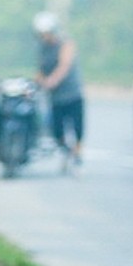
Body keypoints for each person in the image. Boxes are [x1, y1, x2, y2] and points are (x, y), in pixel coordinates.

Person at [33, 11, 86, 169]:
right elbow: (41, 69)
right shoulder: (42, 48)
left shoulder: (66, 43)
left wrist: (52, 80)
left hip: (72, 93)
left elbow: (64, 65)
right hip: (55, 97)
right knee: (56, 130)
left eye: (47, 33)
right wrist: (38, 81)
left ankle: (77, 155)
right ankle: (66, 151)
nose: (45, 37)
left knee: (76, 127)